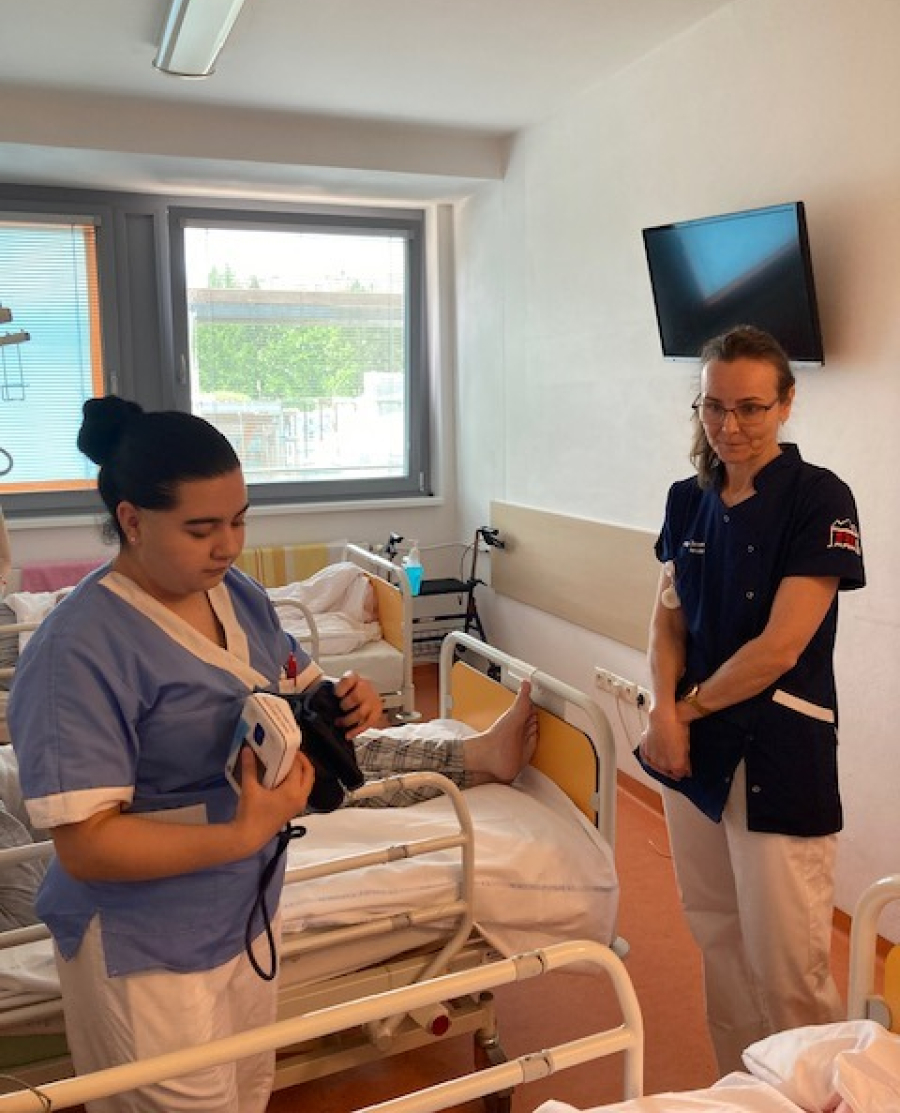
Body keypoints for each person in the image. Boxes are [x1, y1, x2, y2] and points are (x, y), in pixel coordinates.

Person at [8, 395, 538, 1113]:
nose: (227, 545)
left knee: (245, 1093)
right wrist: (242, 833)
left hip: (246, 907)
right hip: (144, 947)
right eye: (201, 529)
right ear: (131, 520)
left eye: (239, 520)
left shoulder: (238, 596)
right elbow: (86, 844)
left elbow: (293, 683)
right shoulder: (77, 652)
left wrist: (347, 704)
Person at [637, 325, 864, 1078]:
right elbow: (667, 620)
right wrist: (661, 713)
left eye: (751, 408)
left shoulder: (819, 498)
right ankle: (739, 1088)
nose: (729, 426)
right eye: (713, 406)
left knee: (786, 964)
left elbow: (779, 648)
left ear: (786, 405)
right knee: (718, 937)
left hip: (776, 750)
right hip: (691, 746)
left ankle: (813, 1092)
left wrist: (680, 713)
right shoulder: (687, 500)